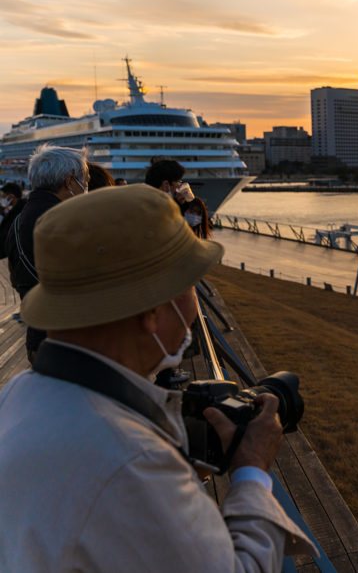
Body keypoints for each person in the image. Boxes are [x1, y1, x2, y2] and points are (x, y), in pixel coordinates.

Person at [0, 184, 315, 571]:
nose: (194, 299)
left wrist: (179, 458)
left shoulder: (16, 395)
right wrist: (251, 469)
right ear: (151, 309)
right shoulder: (133, 463)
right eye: (189, 284)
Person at [6, 144, 89, 363]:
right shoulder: (67, 221)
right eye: (86, 181)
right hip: (72, 338)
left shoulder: (17, 221)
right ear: (70, 182)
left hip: (39, 336)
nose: (87, 187)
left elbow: (16, 279)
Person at [0, 182, 26, 259]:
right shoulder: (20, 210)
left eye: (4, 196)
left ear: (11, 196)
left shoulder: (17, 214)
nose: (3, 199)